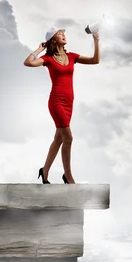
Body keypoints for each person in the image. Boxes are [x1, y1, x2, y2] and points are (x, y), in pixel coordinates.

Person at [23, 26, 100, 184]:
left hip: (69, 102)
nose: (63, 35)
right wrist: (40, 48)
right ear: (53, 40)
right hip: (56, 102)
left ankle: (44, 171)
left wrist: (96, 39)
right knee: (68, 138)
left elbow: (95, 60)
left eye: (63, 33)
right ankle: (68, 176)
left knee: (58, 139)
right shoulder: (48, 59)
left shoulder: (71, 56)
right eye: (59, 34)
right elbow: (28, 63)